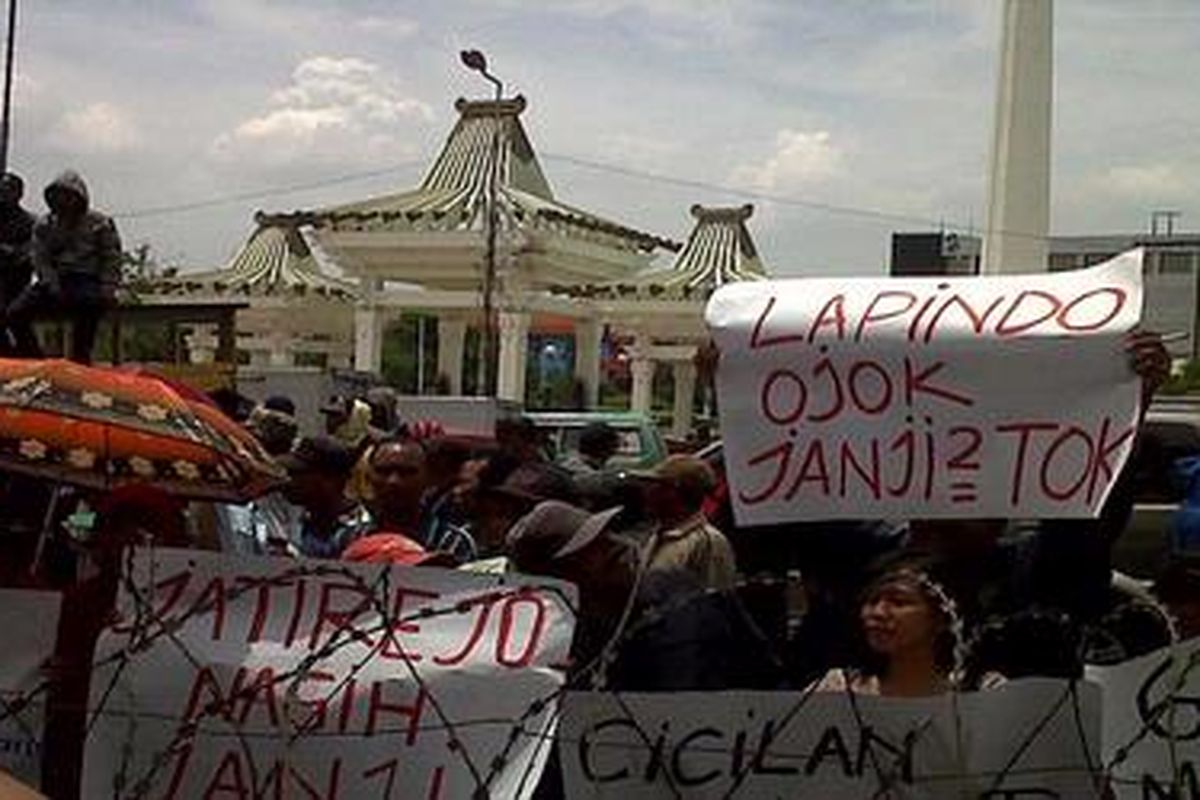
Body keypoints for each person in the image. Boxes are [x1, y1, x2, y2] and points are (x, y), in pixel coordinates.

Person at [811, 558, 1000, 697]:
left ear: (942, 618)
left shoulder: (985, 691)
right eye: (872, 600)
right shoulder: (839, 689)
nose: (878, 612)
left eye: (899, 602)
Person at [6, 170, 122, 364]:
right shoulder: (44, 225)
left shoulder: (100, 223)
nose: (62, 201)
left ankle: (80, 358)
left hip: (86, 278)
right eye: (57, 196)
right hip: (54, 279)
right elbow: (39, 257)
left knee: (89, 307)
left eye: (67, 196)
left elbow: (111, 257)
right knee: (15, 313)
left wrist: (108, 287)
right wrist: (50, 282)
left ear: (78, 197)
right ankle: (35, 359)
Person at [638, 454, 737, 591]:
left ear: (676, 492)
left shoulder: (708, 542)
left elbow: (716, 601)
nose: (648, 492)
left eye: (658, 486)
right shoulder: (655, 536)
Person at [368, 436, 476, 562]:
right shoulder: (346, 538)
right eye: (383, 471)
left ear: (428, 477)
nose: (393, 481)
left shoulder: (452, 543)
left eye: (406, 472)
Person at [279, 435, 373, 558]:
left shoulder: (362, 531)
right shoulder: (293, 519)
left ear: (331, 480)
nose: (288, 481)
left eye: (297, 475)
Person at [0, 172, 34, 351]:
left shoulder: (29, 222)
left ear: (19, 193)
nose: (3, 195)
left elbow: (32, 252)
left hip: (17, 279)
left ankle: (30, 355)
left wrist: (11, 252)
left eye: (8, 190)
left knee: (14, 314)